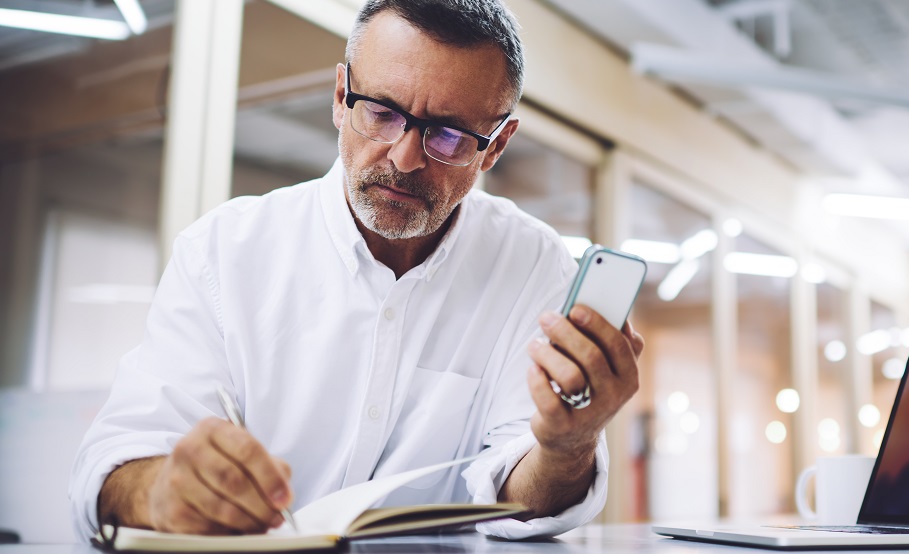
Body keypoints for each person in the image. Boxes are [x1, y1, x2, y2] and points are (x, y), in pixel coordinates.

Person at [69, 0, 643, 541]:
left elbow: (518, 492)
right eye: (383, 112)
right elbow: (113, 463)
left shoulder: (533, 266)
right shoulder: (222, 252)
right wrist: (159, 490)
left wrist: (568, 445)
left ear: (495, 147)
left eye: (447, 135)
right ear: (342, 96)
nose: (404, 158)